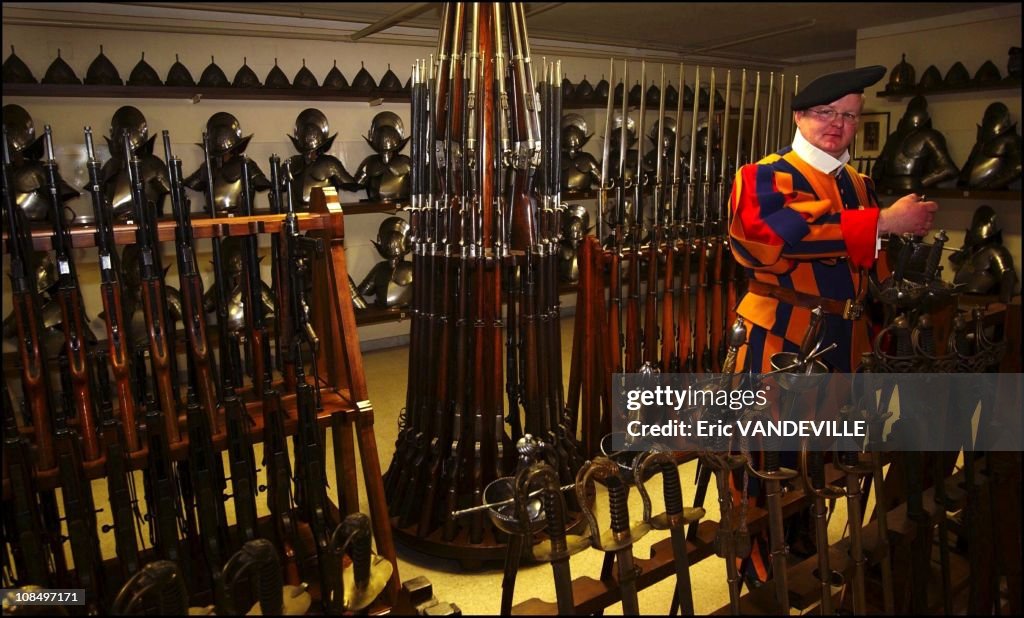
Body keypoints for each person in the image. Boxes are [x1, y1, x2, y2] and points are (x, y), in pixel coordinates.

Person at [729, 65, 939, 374]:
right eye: (825, 112)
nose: (837, 124)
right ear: (798, 116)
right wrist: (883, 222)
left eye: (849, 116)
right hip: (782, 335)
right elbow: (769, 244)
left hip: (851, 336)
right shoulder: (764, 175)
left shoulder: (860, 183)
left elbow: (871, 266)